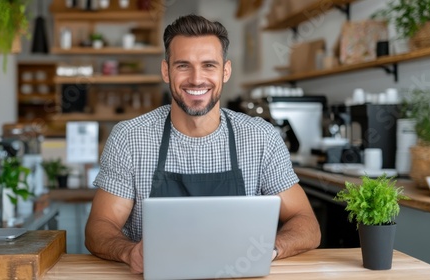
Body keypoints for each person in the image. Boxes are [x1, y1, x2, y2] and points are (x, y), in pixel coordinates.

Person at [85, 14, 321, 274]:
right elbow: (99, 226)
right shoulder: (129, 138)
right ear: (166, 71)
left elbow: (307, 224)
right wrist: (128, 252)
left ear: (226, 71)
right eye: (183, 65)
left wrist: (268, 250)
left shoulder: (261, 138)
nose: (196, 79)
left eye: (209, 65)